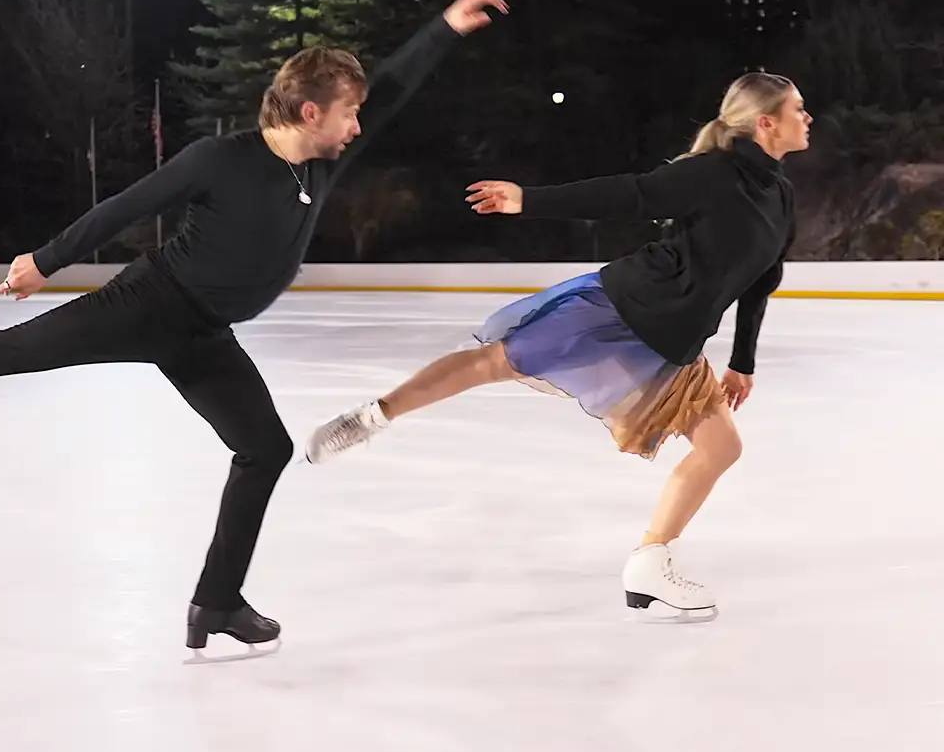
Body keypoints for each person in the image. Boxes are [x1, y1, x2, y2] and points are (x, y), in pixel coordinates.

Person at [0, 0, 508, 651]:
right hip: (146, 306)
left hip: (204, 335)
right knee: (13, 351)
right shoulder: (222, 159)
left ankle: (216, 602)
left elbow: (387, 91)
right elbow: (125, 207)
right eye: (347, 114)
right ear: (310, 112)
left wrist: (445, 27)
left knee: (265, 448)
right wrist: (45, 261)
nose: (358, 126)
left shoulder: (320, 166)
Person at [306, 72, 811, 617]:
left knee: (721, 448)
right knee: (493, 362)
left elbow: (762, 279)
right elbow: (630, 194)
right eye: (798, 109)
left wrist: (742, 362)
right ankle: (371, 418)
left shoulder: (780, 195)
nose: (807, 118)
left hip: (675, 339)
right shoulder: (714, 174)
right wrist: (528, 200)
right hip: (619, 309)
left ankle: (650, 562)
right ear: (766, 122)